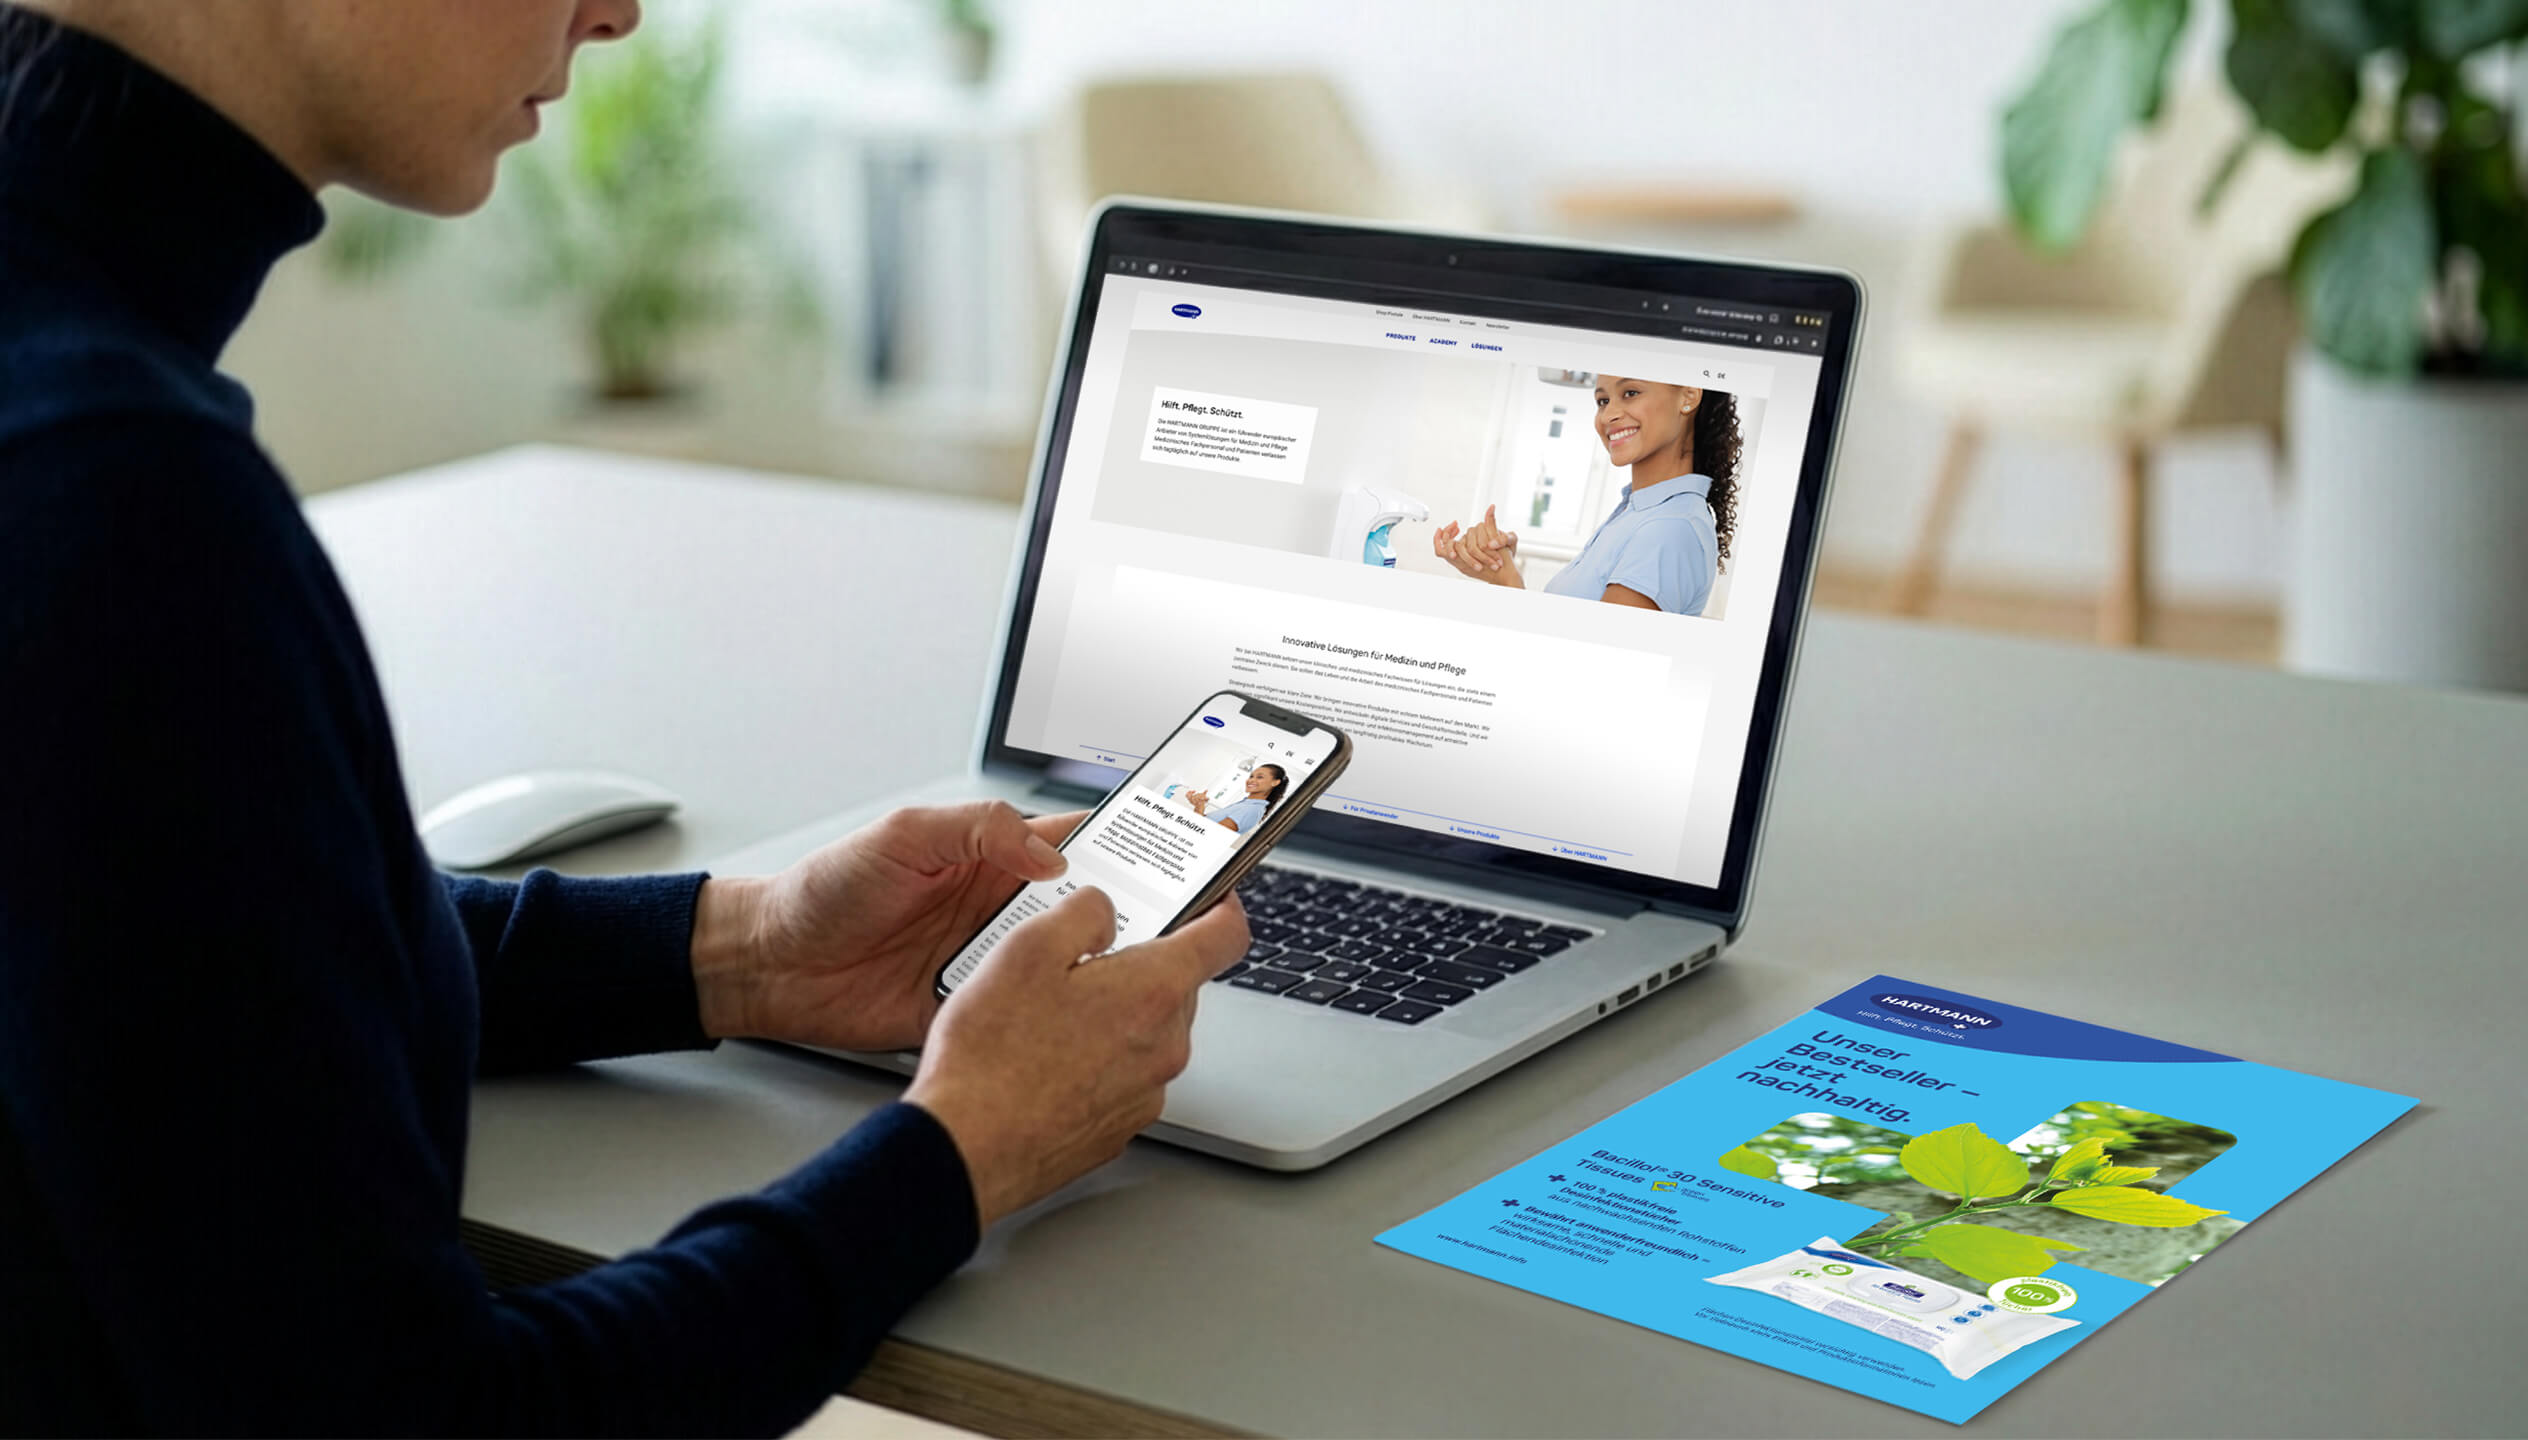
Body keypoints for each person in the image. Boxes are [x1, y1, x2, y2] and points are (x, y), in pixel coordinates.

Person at [0, 2, 1248, 1434]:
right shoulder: (113, 502)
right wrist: (958, 1153)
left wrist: (745, 953)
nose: (619, 11)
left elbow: (172, 961)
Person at [1432, 375, 1744, 616]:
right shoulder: (1638, 512)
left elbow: (1590, 672)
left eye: (1630, 393)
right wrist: (1501, 568)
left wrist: (1509, 583)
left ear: (1688, 395)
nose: (1609, 415)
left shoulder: (1669, 528)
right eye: (1603, 400)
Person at [1184, 762, 1288, 836]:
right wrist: (1199, 805)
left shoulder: (1252, 809)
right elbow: (1203, 823)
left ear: (1275, 782)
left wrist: (1199, 808)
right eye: (1251, 776)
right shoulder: (1246, 804)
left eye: (1259, 777)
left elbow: (1208, 835)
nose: (1251, 780)